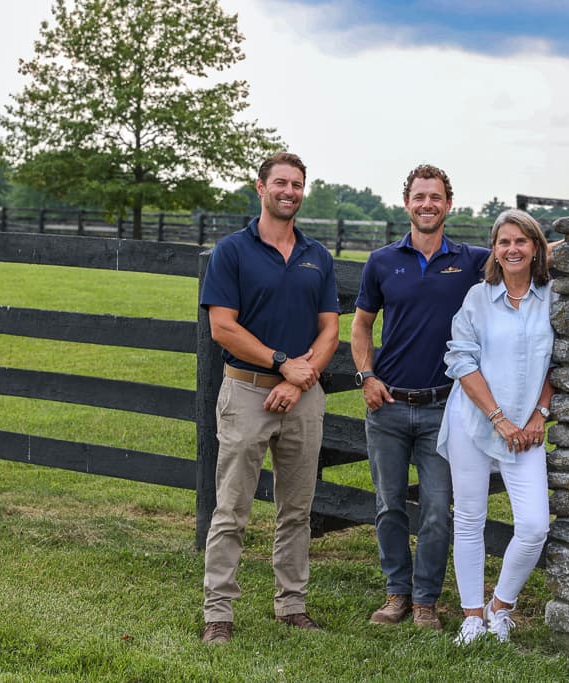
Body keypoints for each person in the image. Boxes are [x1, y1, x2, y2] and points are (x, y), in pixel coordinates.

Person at [437, 207, 569, 645]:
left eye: (520, 241)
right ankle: (471, 615)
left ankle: (500, 607)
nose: (512, 249)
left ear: (535, 248)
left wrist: (536, 415)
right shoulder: (477, 298)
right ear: (494, 249)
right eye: (503, 241)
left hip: (526, 431)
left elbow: (557, 362)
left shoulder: (551, 298)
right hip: (474, 420)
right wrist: (499, 419)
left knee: (533, 527)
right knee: (469, 519)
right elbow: (460, 360)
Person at [200, 152, 340, 643]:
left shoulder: (317, 256)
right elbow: (223, 327)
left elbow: (329, 332)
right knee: (232, 509)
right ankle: (218, 612)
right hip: (245, 392)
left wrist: (297, 379)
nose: (290, 191)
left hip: (302, 398)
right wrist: (282, 362)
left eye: (297, 185)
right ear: (260, 187)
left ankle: (292, 604)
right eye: (280, 182)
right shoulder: (232, 252)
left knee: (297, 510)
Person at [351, 164, 490, 630]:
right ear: (406, 203)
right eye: (419, 196)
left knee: (435, 509)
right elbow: (361, 326)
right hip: (387, 405)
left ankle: (427, 600)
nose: (427, 204)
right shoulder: (382, 261)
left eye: (435, 197)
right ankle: (397, 594)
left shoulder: (471, 260)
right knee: (389, 504)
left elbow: (527, 254)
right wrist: (366, 376)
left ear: (448, 204)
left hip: (443, 408)